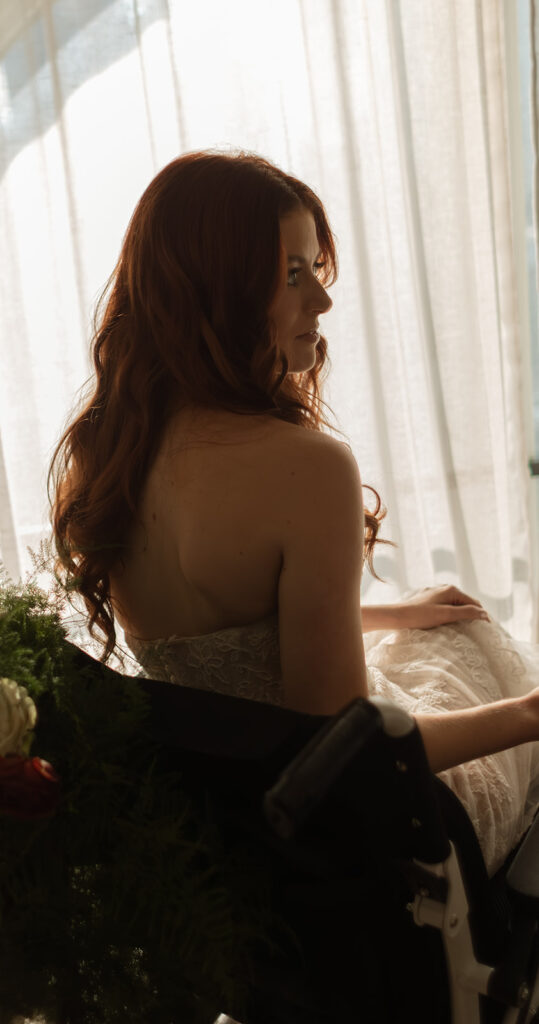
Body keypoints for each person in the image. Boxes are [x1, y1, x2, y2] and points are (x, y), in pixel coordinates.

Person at [50, 150, 539, 875]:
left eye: (315, 268)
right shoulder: (306, 468)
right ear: (217, 290)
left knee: (440, 622)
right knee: (482, 648)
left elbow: (220, 648)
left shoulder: (108, 452)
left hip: (232, 834)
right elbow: (340, 753)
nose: (322, 299)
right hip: (366, 840)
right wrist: (529, 716)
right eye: (291, 274)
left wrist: (381, 613)